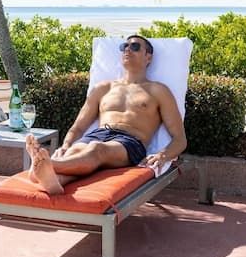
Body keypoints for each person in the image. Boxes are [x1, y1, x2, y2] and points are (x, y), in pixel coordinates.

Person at [26, 35, 187, 195]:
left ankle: (47, 164)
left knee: (96, 149)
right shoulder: (103, 88)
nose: (127, 49)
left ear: (148, 57)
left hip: (130, 142)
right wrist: (66, 146)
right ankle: (54, 181)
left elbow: (180, 139)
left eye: (135, 46)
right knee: (75, 152)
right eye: (124, 46)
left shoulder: (158, 90)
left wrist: (162, 155)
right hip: (98, 134)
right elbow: (79, 127)